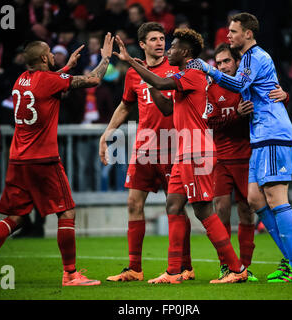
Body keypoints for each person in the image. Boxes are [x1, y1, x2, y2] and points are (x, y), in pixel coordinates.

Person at [0, 33, 114, 288]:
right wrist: (105, 58)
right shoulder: (49, 80)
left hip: (18, 159)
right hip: (43, 160)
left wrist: (67, 66)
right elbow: (93, 79)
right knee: (66, 211)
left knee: (16, 217)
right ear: (45, 57)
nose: (52, 55)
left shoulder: (20, 81)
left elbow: (48, 83)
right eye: (50, 53)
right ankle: (70, 274)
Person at [114, 28, 248, 284]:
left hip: (196, 150)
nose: (168, 50)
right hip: (183, 152)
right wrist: (148, 80)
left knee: (203, 210)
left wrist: (132, 63)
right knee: (173, 205)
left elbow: (163, 83)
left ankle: (235, 268)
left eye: (172, 47)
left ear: (185, 52)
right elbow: (165, 107)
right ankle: (174, 271)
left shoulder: (194, 74)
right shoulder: (183, 75)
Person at [195, 12, 292, 283]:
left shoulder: (255, 56)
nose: (228, 36)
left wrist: (207, 68)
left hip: (271, 133)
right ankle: (291, 261)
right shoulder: (248, 59)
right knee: (256, 199)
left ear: (248, 33)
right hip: (260, 136)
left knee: (276, 198)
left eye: (233, 31)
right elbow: (266, 88)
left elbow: (239, 84)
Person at [99, 22, 194, 282]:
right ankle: (134, 268)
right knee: (133, 203)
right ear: (142, 44)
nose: (160, 43)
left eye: (162, 38)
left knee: (175, 206)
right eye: (153, 39)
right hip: (144, 147)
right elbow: (125, 105)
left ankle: (184, 266)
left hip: (173, 145)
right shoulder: (133, 73)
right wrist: (107, 132)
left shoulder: (175, 68)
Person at [206, 43, 290, 282]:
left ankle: (245, 267)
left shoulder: (249, 84)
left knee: (247, 211)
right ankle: (226, 265)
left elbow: (272, 101)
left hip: (248, 157)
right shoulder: (212, 88)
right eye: (218, 63)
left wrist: (285, 96)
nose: (221, 66)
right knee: (220, 211)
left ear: (237, 63)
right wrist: (236, 114)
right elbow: (209, 123)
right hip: (221, 158)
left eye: (226, 61)